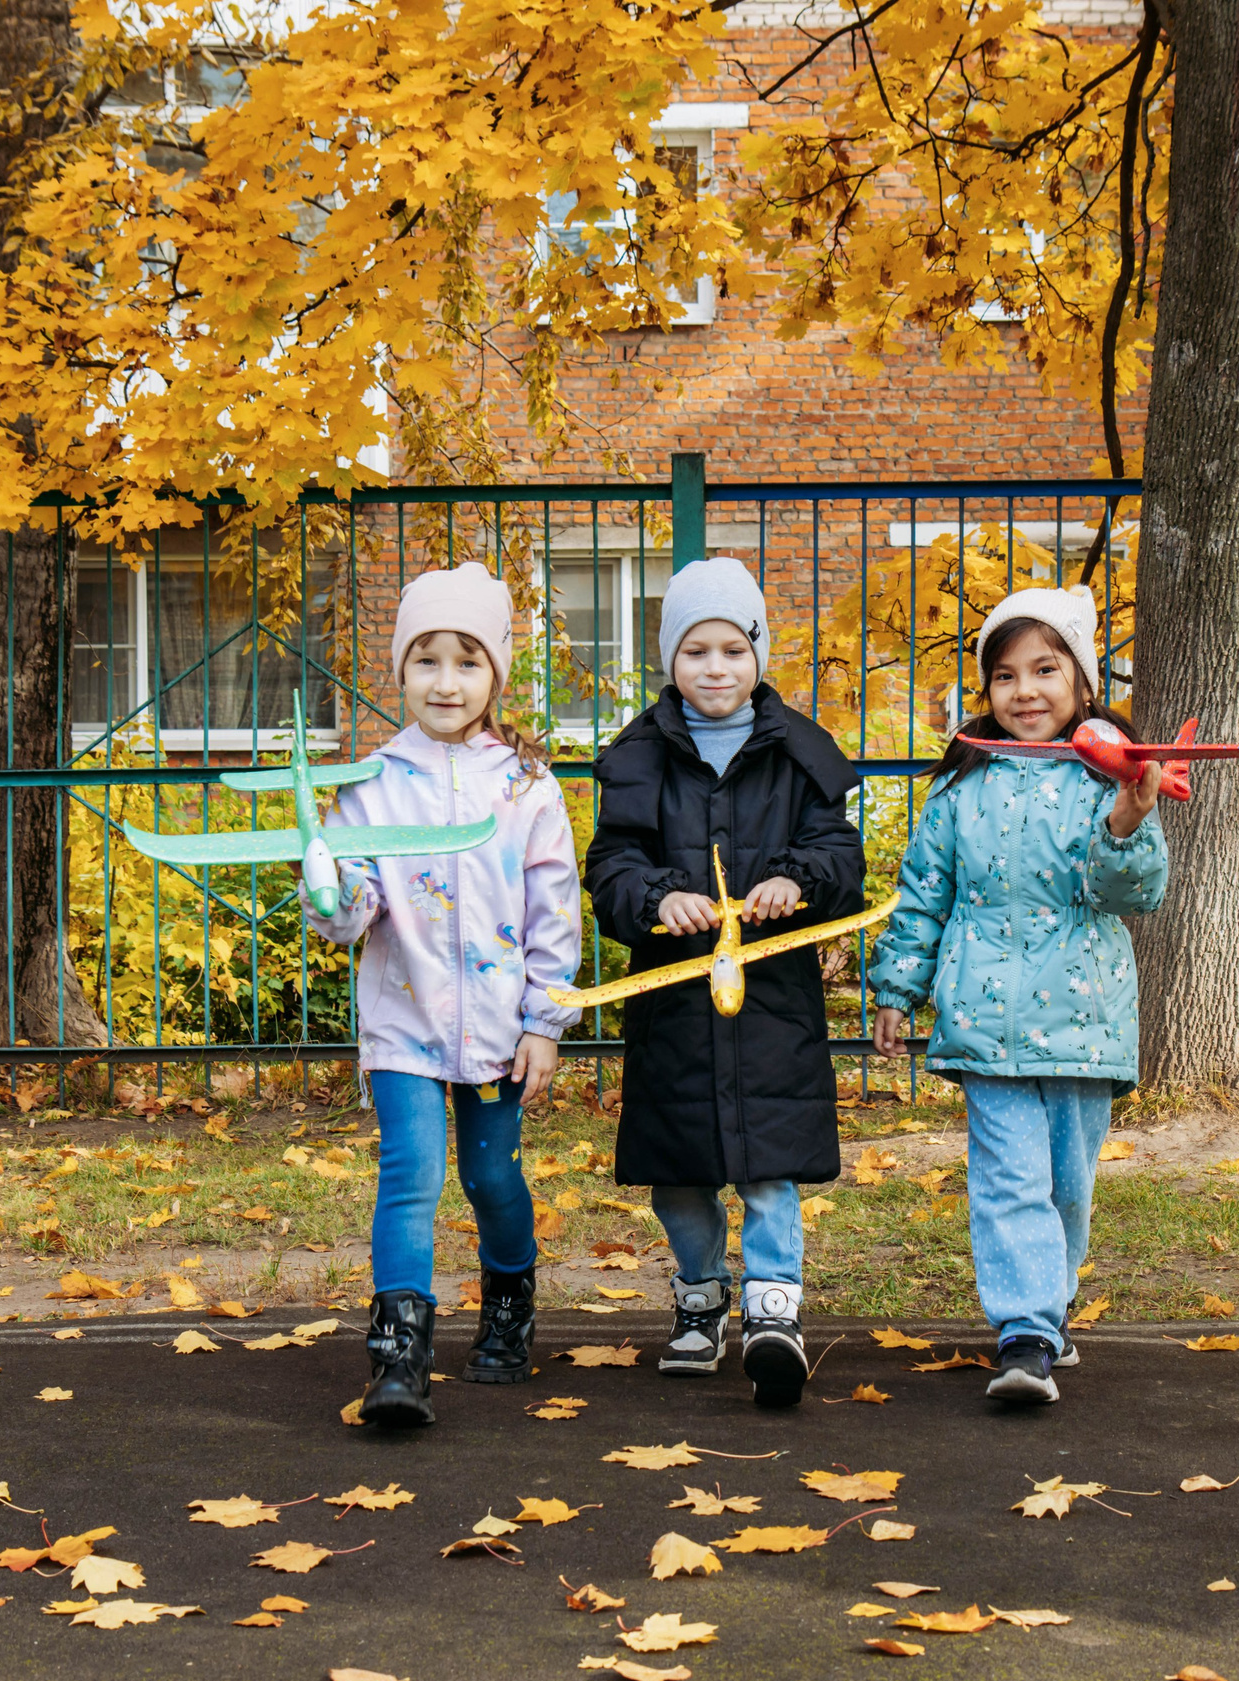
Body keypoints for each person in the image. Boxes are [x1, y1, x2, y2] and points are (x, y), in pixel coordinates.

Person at [867, 583, 1167, 1406]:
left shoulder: (1108, 778)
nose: (1025, 691)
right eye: (1005, 675)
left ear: (1081, 678)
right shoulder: (962, 785)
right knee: (1008, 1179)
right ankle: (1025, 1331)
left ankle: (1051, 1304)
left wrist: (1128, 820)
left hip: (1082, 1022)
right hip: (984, 1022)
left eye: (1044, 669)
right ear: (987, 690)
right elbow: (924, 892)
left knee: (1066, 1184)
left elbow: (1132, 893)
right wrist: (898, 985)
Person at [304, 561, 580, 1430]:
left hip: (501, 1027)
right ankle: (399, 1354)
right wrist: (327, 887)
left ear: (495, 672)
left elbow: (553, 909)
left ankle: (508, 1304)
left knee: (491, 1177)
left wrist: (544, 1022)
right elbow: (352, 917)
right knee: (412, 1174)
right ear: (401, 671)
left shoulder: (526, 784)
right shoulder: (370, 782)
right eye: (426, 660)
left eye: (467, 660)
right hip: (405, 1021)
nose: (446, 681)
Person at [585, 557, 866, 1407]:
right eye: (696, 649)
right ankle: (700, 1296)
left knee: (769, 1162)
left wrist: (797, 879)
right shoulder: (637, 759)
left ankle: (774, 1308)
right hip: (675, 1000)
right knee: (682, 1168)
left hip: (773, 1002)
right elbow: (610, 866)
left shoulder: (801, 753)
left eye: (734, 649)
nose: (716, 667)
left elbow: (840, 853)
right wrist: (657, 896)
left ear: (759, 654)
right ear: (669, 658)